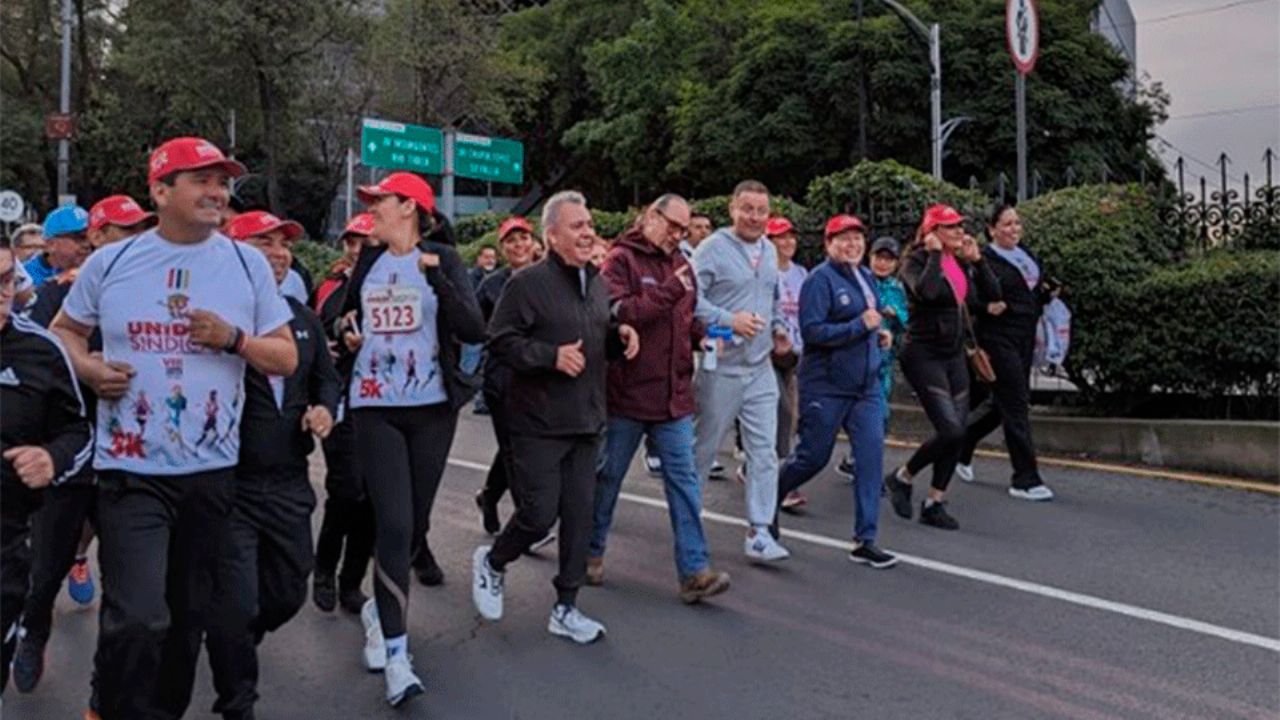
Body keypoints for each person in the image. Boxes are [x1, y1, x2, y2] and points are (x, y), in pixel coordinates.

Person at [51, 136, 298, 720]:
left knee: (187, 621)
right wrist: (89, 369)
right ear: (160, 191)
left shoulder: (246, 264)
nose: (217, 192)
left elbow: (285, 357)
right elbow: (65, 331)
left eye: (222, 182)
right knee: (138, 617)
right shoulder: (111, 263)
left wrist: (233, 339)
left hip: (211, 474)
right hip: (130, 470)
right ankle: (112, 707)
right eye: (201, 180)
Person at [180, 209, 341, 720]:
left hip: (290, 482)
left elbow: (326, 378)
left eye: (283, 244)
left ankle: (231, 641)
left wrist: (324, 409)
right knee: (236, 602)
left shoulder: (301, 317)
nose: (278, 253)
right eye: (263, 242)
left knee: (288, 593)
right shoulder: (207, 320)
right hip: (230, 487)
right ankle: (237, 702)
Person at [337, 171, 484, 706]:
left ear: (410, 208)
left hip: (431, 410)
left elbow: (473, 328)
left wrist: (437, 280)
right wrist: (346, 333)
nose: (370, 210)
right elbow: (343, 318)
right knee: (395, 525)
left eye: (380, 201)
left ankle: (380, 611)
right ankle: (398, 657)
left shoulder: (443, 259)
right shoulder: (370, 261)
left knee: (415, 526)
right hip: (375, 406)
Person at [471, 191, 639, 643]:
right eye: (577, 226)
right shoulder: (526, 284)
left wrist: (620, 336)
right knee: (538, 515)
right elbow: (500, 341)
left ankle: (566, 607)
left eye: (589, 225)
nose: (588, 233)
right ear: (551, 236)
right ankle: (493, 561)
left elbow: (596, 336)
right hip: (538, 422)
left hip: (587, 419)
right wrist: (549, 356)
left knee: (580, 519)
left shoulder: (596, 282)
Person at [12, 194, 155, 694]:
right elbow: (34, 366)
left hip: (132, 457)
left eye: (138, 232)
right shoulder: (56, 297)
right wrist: (89, 370)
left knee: (129, 583)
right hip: (70, 454)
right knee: (45, 567)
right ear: (97, 239)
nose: (133, 242)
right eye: (121, 232)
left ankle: (107, 685)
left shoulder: (154, 292)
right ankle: (33, 634)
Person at [588, 194, 731, 602]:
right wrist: (669, 291)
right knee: (607, 478)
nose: (677, 236)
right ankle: (590, 551)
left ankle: (694, 571)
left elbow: (685, 319)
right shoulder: (620, 260)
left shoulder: (682, 264)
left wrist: (704, 336)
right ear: (651, 216)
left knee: (684, 483)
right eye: (672, 226)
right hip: (628, 395)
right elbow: (620, 313)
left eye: (683, 230)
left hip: (673, 397)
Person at [773, 215, 897, 568]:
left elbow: (870, 321)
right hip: (826, 386)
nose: (852, 245)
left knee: (870, 459)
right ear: (829, 244)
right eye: (843, 239)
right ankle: (769, 498)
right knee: (813, 457)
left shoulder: (866, 277)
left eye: (857, 238)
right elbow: (812, 332)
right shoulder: (819, 280)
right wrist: (859, 326)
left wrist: (879, 335)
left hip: (865, 388)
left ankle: (865, 540)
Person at [0, 239, 93, 696]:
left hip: (5, 542)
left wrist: (52, 459)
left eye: (5, 279)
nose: (2, 292)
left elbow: (77, 431)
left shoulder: (40, 349)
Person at [690, 180, 792, 562]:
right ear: (732, 209)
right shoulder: (712, 248)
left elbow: (772, 299)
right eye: (747, 209)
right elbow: (689, 299)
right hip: (722, 367)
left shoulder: (769, 250)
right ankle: (688, 517)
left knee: (764, 452)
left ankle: (760, 531)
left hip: (760, 366)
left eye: (761, 211)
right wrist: (727, 320)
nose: (754, 217)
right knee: (704, 447)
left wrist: (778, 329)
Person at [884, 204, 1000, 531]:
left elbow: (991, 297)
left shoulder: (959, 262)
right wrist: (935, 255)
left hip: (953, 355)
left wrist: (978, 261)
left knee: (958, 431)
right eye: (950, 227)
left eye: (960, 226)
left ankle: (934, 501)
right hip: (923, 355)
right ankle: (902, 476)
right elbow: (928, 292)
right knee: (951, 430)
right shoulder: (915, 261)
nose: (959, 232)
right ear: (931, 232)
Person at [955, 205, 1056, 501]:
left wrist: (1046, 294)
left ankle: (963, 442)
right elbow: (967, 298)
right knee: (1016, 404)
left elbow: (1030, 290)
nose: (1014, 229)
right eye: (1007, 224)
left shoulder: (1025, 254)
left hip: (1025, 336)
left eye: (1017, 223)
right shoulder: (982, 259)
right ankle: (1025, 478)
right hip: (997, 338)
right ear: (992, 229)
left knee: (1004, 403)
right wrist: (987, 307)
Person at [312, 212, 378, 615]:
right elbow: (320, 325)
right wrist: (339, 334)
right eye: (352, 242)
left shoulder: (399, 284)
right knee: (347, 490)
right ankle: (323, 569)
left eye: (366, 243)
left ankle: (351, 581)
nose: (358, 250)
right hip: (342, 400)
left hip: (386, 404)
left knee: (374, 498)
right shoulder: (332, 286)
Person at [473, 216, 540, 534]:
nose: (519, 245)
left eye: (523, 238)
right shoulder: (491, 285)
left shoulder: (548, 278)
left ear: (534, 242)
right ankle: (526, 522)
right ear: (502, 249)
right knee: (515, 449)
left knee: (518, 445)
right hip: (502, 379)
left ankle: (488, 496)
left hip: (538, 377)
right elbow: (473, 326)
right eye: (511, 241)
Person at [837, 236, 907, 480]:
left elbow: (906, 320)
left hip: (884, 361)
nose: (883, 264)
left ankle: (861, 461)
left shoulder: (897, 288)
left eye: (889, 259)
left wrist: (895, 314)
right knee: (852, 411)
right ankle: (859, 459)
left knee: (880, 413)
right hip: (857, 355)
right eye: (879, 257)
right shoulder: (860, 280)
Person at [769, 216, 808, 511]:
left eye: (791, 236)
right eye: (781, 237)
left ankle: (756, 467)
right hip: (768, 353)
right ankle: (781, 481)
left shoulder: (801, 273)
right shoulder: (764, 272)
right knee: (782, 412)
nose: (788, 242)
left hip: (796, 354)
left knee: (792, 416)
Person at [26, 204, 91, 290]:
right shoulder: (26, 277)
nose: (87, 244)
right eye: (79, 238)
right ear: (51, 244)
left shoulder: (97, 269)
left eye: (91, 236)